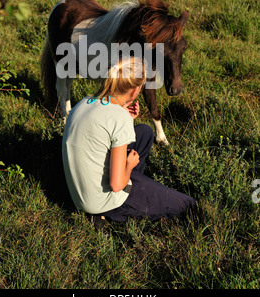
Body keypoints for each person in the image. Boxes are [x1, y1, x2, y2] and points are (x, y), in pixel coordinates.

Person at [62, 57, 196, 224]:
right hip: (102, 202)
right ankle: (110, 212)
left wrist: (125, 115)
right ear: (134, 90)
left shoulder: (84, 102)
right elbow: (116, 184)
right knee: (188, 206)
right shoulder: (118, 118)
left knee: (145, 132)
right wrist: (129, 165)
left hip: (80, 194)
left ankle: (134, 185)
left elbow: (105, 127)